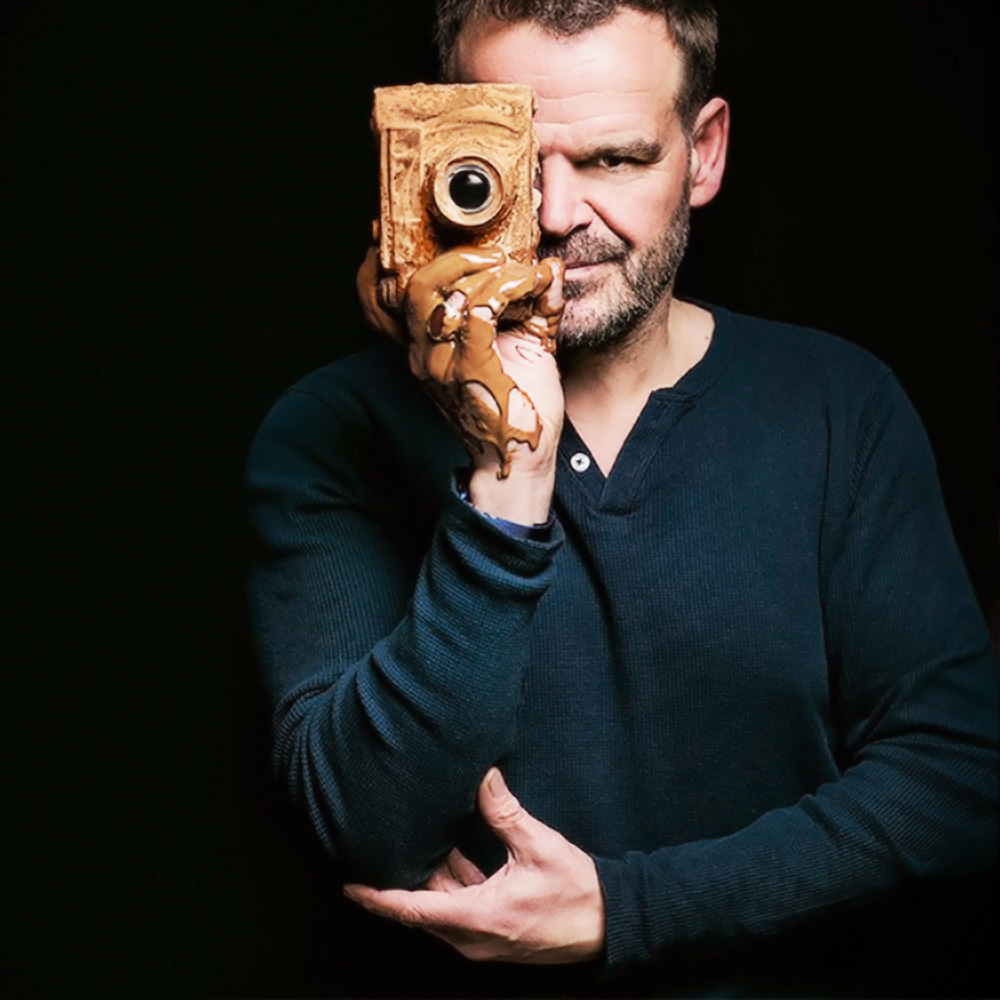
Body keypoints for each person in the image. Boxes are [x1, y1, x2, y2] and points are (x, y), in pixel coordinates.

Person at [245, 1, 998, 995]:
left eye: (612, 160)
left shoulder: (837, 406)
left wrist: (624, 910)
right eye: (512, 161)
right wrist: (508, 461)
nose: (558, 214)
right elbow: (367, 826)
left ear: (705, 152)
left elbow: (958, 777)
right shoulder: (329, 432)